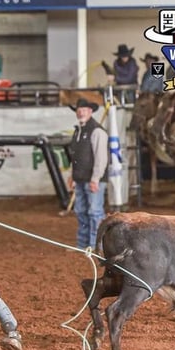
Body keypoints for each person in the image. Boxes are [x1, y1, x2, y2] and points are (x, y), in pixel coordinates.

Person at [67, 98, 108, 250]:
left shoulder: (97, 131)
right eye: (78, 110)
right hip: (81, 178)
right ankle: (82, 244)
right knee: (81, 212)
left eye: (83, 110)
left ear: (90, 112)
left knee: (95, 212)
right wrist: (73, 175)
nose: (80, 112)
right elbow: (75, 156)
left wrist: (96, 178)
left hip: (92, 179)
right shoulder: (79, 130)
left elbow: (101, 158)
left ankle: (94, 246)